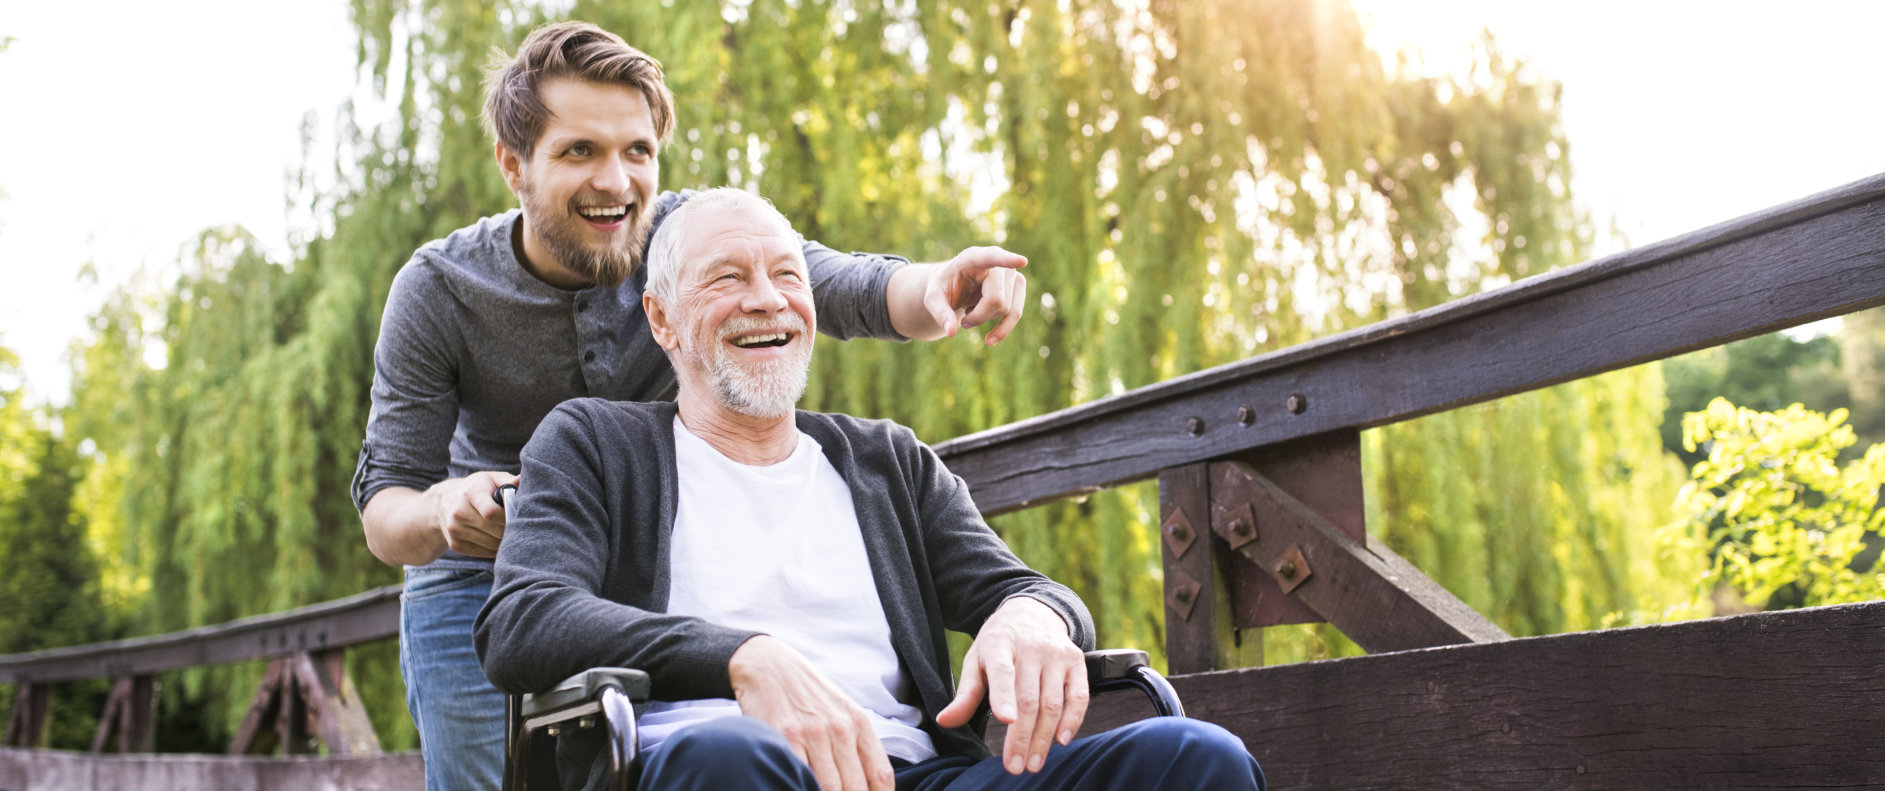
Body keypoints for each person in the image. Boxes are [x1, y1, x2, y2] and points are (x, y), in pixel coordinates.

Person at [352, 21, 1032, 790]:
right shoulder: (439, 290)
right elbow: (385, 515)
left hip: (652, 554)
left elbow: (837, 286)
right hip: (490, 574)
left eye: (636, 151)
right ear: (515, 165)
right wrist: (446, 509)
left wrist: (939, 285)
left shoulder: (691, 237)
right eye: (580, 151)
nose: (616, 181)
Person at [474, 188, 1265, 791]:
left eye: (787, 274)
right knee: (732, 754)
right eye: (728, 277)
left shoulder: (887, 460)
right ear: (662, 318)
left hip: (909, 774)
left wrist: (1032, 613)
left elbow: (1021, 587)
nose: (767, 297)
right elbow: (524, 620)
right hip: (720, 766)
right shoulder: (594, 443)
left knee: (1194, 758)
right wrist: (742, 657)